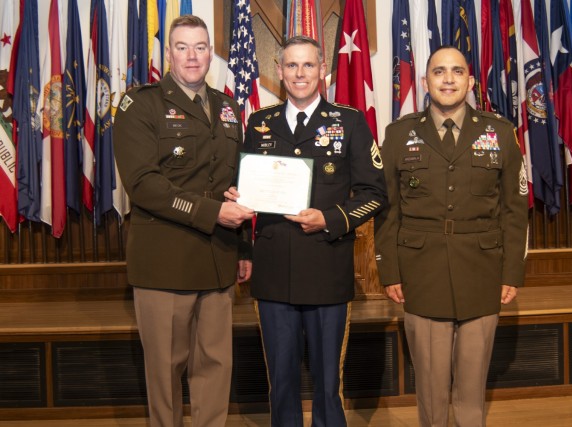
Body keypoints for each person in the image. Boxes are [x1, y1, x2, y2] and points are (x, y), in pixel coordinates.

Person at [227, 35, 387, 426]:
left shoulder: (348, 122)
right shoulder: (259, 122)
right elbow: (243, 187)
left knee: (327, 381)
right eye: (292, 66)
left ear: (323, 72)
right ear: (279, 72)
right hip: (273, 269)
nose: (300, 74)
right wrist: (236, 195)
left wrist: (330, 219)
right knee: (279, 380)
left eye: (309, 65)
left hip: (326, 267)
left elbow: (375, 193)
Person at [374, 46, 529, 427]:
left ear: (470, 82)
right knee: (430, 386)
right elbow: (387, 211)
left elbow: (515, 210)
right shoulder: (398, 134)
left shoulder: (500, 132)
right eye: (439, 72)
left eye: (457, 72)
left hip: (482, 270)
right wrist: (389, 270)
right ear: (425, 82)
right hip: (421, 272)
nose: (448, 79)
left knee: (472, 388)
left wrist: (512, 273)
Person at [113, 15, 255, 427]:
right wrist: (214, 213)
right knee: (166, 372)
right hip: (165, 261)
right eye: (182, 47)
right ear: (168, 53)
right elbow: (143, 185)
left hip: (218, 258)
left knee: (214, 368)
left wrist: (243, 246)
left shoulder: (228, 108)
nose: (192, 56)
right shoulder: (140, 105)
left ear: (211, 52)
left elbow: (234, 184)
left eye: (200, 47)